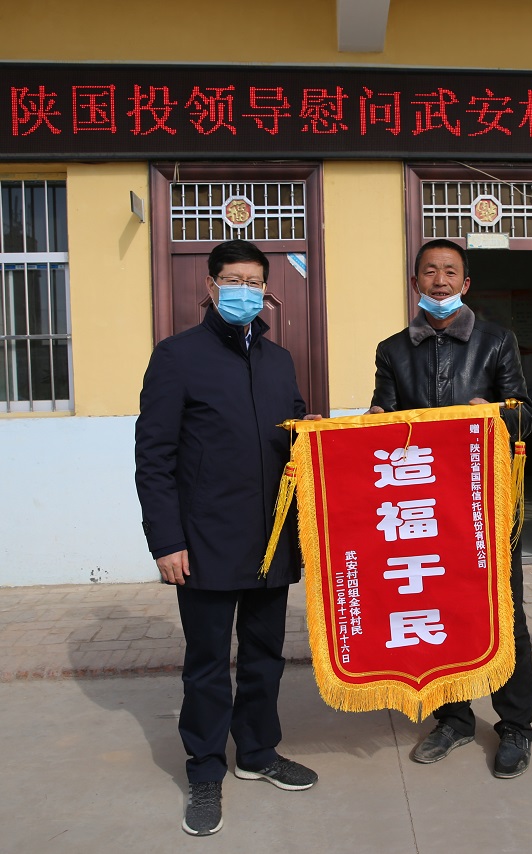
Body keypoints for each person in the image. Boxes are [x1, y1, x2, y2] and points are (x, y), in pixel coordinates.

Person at [135, 239, 318, 837]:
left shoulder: (279, 360)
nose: (244, 291)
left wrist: (311, 432)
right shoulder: (177, 357)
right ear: (211, 287)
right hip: (206, 540)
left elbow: (291, 434)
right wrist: (166, 541)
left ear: (266, 290)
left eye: (253, 282)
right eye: (232, 281)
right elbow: (154, 457)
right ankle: (205, 771)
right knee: (208, 664)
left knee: (265, 658)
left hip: (271, 539)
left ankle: (258, 753)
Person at [369, 238, 532, 779]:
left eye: (449, 272)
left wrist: (497, 414)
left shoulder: (497, 341)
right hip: (424, 509)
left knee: (503, 611)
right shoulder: (392, 350)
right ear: (415, 282)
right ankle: (454, 719)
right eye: (429, 272)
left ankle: (516, 726)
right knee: (437, 610)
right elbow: (384, 417)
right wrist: (373, 421)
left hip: (485, 503)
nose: (439, 281)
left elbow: (526, 414)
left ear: (465, 284)